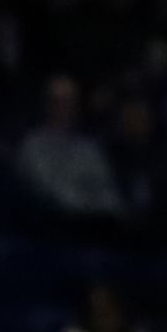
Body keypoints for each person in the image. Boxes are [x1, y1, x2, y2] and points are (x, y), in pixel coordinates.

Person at [21, 75, 126, 224]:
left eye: (69, 102)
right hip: (50, 229)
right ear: (47, 104)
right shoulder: (33, 145)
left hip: (95, 227)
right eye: (57, 102)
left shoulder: (89, 147)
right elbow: (49, 192)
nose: (64, 108)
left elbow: (107, 191)